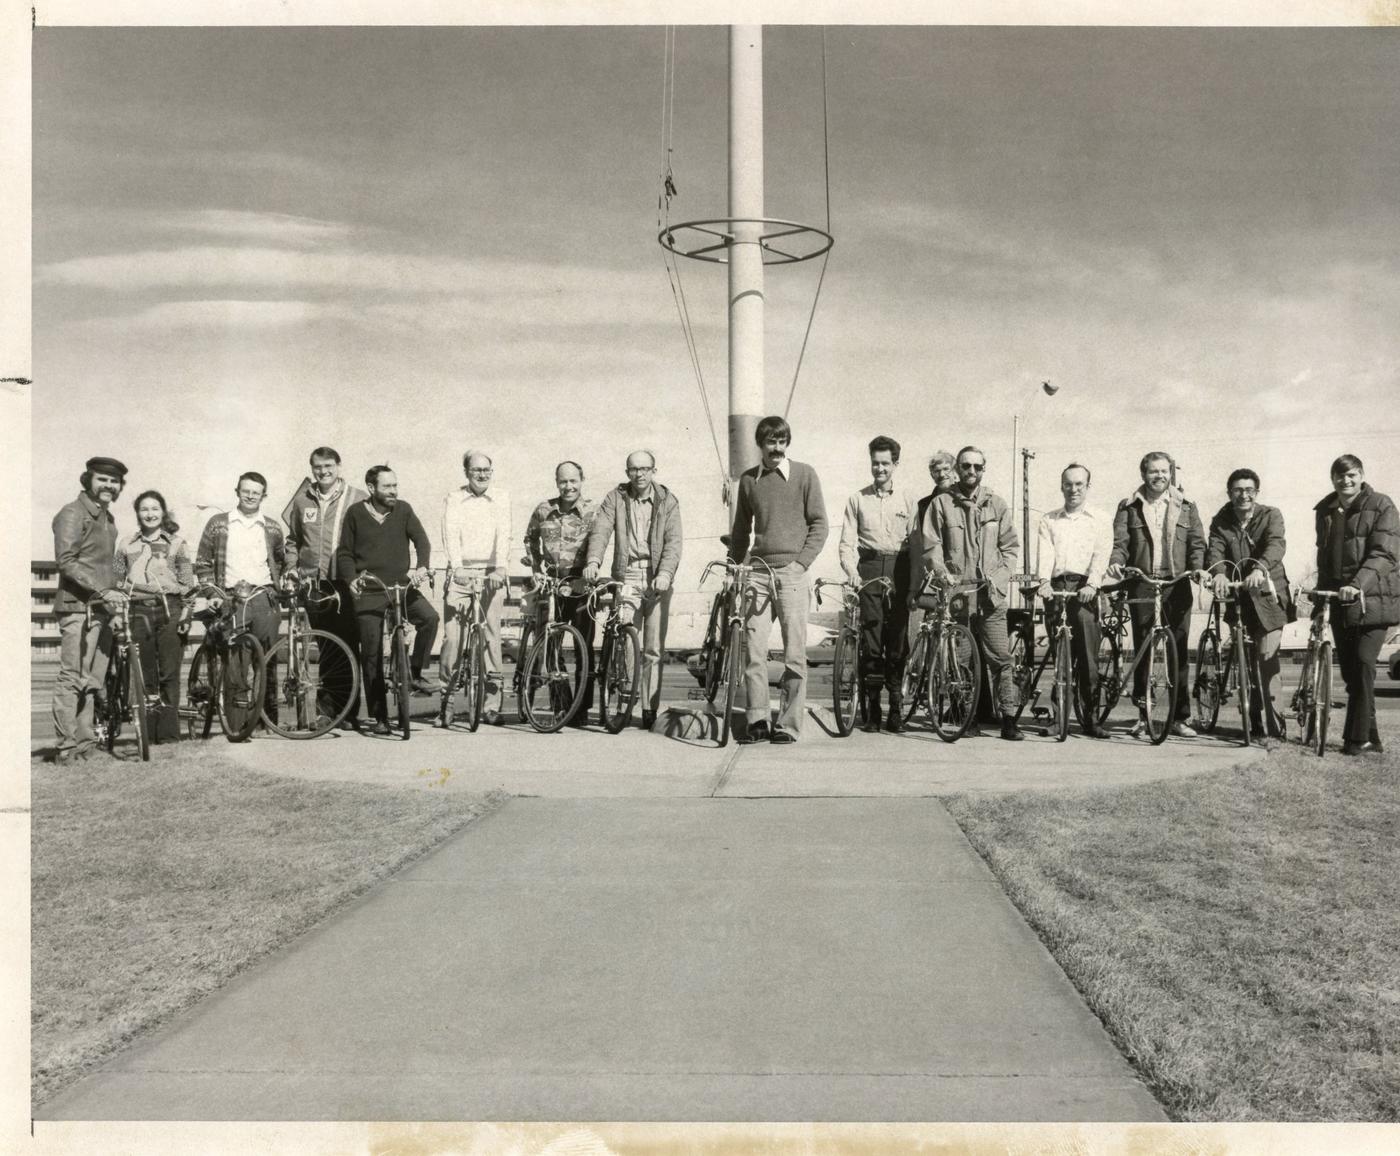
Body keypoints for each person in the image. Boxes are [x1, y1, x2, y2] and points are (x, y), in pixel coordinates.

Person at [728, 415, 829, 744]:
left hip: (792, 573)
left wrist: (801, 564)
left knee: (794, 653)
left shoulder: (804, 475)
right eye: (771, 442)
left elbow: (819, 524)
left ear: (788, 444)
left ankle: (787, 724)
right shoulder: (747, 481)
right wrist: (734, 568)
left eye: (782, 442)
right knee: (753, 651)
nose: (776, 448)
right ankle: (757, 719)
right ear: (761, 444)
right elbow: (741, 531)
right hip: (757, 573)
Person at [919, 445, 1023, 740]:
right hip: (958, 593)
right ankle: (967, 717)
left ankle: (1009, 719)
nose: (972, 472)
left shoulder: (996, 505)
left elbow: (1010, 548)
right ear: (958, 469)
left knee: (1000, 657)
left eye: (978, 467)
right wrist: (942, 573)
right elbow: (931, 545)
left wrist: (1000, 578)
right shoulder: (941, 504)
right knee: (961, 658)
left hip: (991, 594)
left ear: (984, 469)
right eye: (966, 466)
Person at [1107, 451, 1207, 739]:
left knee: (1178, 650)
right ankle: (1142, 715)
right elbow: (1120, 542)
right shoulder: (1128, 507)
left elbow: (1197, 544)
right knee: (1144, 650)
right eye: (1153, 471)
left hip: (1177, 583)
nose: (1159, 476)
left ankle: (1179, 718)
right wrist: (1117, 560)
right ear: (1143, 474)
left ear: (1171, 473)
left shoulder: (1187, 506)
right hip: (1143, 582)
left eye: (1164, 471)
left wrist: (1197, 569)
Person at [583, 449, 684, 729]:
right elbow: (601, 530)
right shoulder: (616, 497)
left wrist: (664, 574)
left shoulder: (668, 501)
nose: (638, 474)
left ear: (654, 470)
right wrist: (593, 560)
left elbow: (674, 542)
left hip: (657, 578)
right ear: (627, 472)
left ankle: (650, 708)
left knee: (652, 648)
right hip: (626, 575)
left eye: (644, 469)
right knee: (626, 641)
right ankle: (623, 703)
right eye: (633, 469)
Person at [336, 465, 438, 735]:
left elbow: (422, 542)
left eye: (395, 485)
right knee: (371, 654)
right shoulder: (356, 514)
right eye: (388, 487)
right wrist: (352, 579)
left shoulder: (403, 510)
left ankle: (414, 673)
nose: (394, 491)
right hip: (370, 591)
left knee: (430, 618)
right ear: (371, 488)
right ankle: (380, 717)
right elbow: (344, 553)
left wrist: (421, 567)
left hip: (401, 588)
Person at [1313, 454, 1399, 756]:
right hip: (1339, 601)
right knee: (1351, 674)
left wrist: (1357, 584)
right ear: (1332, 478)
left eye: (1351, 475)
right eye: (1339, 475)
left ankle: (1356, 740)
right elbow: (1324, 560)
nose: (1345, 481)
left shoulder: (1382, 505)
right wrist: (1318, 600)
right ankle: (1372, 738)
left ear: (1361, 475)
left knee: (1364, 664)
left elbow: (1384, 555)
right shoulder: (1325, 510)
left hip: (1373, 599)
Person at [194, 471, 291, 727]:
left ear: (263, 496)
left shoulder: (271, 527)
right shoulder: (218, 523)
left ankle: (267, 724)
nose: (250, 495)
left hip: (265, 599)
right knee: (236, 663)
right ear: (237, 491)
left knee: (267, 662)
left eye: (256, 492)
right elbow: (202, 563)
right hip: (231, 600)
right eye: (245, 490)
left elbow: (279, 561)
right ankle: (237, 726)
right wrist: (212, 594)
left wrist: (278, 588)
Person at [1204, 468, 1292, 739]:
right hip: (1239, 599)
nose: (1244, 495)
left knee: (1266, 660)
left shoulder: (1270, 515)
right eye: (1238, 490)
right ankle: (1254, 723)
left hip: (1269, 598)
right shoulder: (1221, 519)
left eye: (1249, 490)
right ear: (1230, 493)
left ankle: (1275, 729)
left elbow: (1275, 545)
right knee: (1245, 662)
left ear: (1257, 492)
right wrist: (1218, 573)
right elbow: (1215, 549)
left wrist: (1260, 569)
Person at [51, 455, 127, 763]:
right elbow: (66, 562)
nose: (108, 485)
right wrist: (102, 591)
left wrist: (114, 599)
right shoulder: (72, 513)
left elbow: (106, 569)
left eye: (114, 481)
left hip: (102, 611)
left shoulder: (108, 520)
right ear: (88, 480)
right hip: (76, 608)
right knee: (72, 677)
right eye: (102, 479)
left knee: (93, 681)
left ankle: (85, 745)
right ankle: (66, 749)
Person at [284, 446, 367, 726]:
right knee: (326, 647)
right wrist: (291, 568)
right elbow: (293, 540)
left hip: (345, 583)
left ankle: (349, 713)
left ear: (339, 466)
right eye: (318, 467)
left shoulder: (357, 498)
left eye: (329, 465)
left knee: (348, 646)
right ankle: (327, 712)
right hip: (313, 584)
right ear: (312, 469)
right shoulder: (302, 501)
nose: (324, 471)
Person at [838, 435, 916, 732]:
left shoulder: (908, 499)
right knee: (871, 639)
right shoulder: (857, 499)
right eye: (875, 463)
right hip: (869, 567)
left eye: (885, 463)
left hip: (900, 567)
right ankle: (872, 709)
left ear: (895, 464)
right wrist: (852, 572)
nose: (879, 469)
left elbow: (917, 542)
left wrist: (913, 582)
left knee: (896, 640)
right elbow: (846, 543)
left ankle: (895, 707)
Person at [1035, 463, 1113, 739]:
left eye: (1079, 484)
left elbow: (1101, 554)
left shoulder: (1100, 518)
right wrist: (1043, 581)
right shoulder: (1049, 519)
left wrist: (1093, 583)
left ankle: (1091, 719)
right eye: (1068, 484)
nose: (1073, 489)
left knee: (1088, 659)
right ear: (1061, 486)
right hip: (1057, 587)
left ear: (1087, 487)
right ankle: (1060, 718)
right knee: (1060, 659)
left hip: (1085, 588)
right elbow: (1045, 552)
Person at [113, 491, 196, 742]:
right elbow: (117, 581)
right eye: (144, 509)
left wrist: (187, 614)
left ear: (163, 512)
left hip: (169, 608)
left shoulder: (178, 543)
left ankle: (170, 735)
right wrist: (118, 611)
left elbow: (187, 583)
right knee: (145, 674)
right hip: (137, 609)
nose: (150, 514)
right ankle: (148, 737)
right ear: (138, 513)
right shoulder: (127, 544)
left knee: (169, 673)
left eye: (155, 509)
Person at [524, 461, 598, 724]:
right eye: (563, 481)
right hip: (552, 584)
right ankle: (561, 705)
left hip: (581, 585)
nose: (568, 486)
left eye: (573, 481)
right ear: (556, 482)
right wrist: (536, 567)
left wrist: (589, 571)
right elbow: (530, 539)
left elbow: (599, 545)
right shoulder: (544, 509)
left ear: (582, 480)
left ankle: (581, 710)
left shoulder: (592, 512)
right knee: (550, 646)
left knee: (583, 650)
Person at [439, 450, 511, 723]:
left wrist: (501, 567)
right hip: (461, 572)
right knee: (453, 639)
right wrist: (456, 566)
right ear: (466, 472)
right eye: (476, 470)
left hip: (491, 571)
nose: (482, 474)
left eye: (486, 470)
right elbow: (450, 531)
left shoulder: (501, 497)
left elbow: (504, 531)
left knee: (491, 639)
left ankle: (491, 706)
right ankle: (446, 703)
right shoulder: (455, 498)